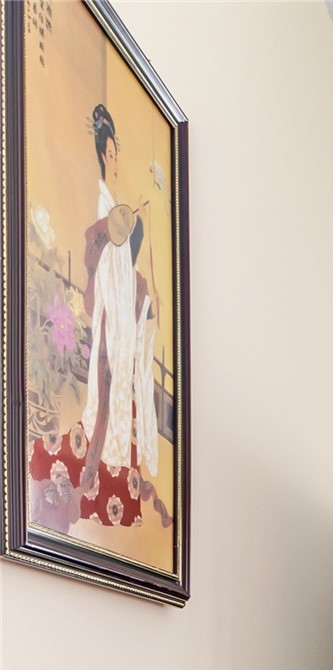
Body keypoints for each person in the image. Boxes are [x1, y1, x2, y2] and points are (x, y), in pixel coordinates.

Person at [78, 103, 162, 514]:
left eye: (116, 154)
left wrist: (145, 297)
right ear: (101, 155)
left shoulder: (116, 207)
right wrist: (121, 230)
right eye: (109, 154)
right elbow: (103, 258)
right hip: (109, 317)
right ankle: (90, 473)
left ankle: (97, 471)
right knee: (106, 391)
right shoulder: (103, 205)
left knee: (114, 395)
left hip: (120, 313)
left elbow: (124, 268)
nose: (114, 160)